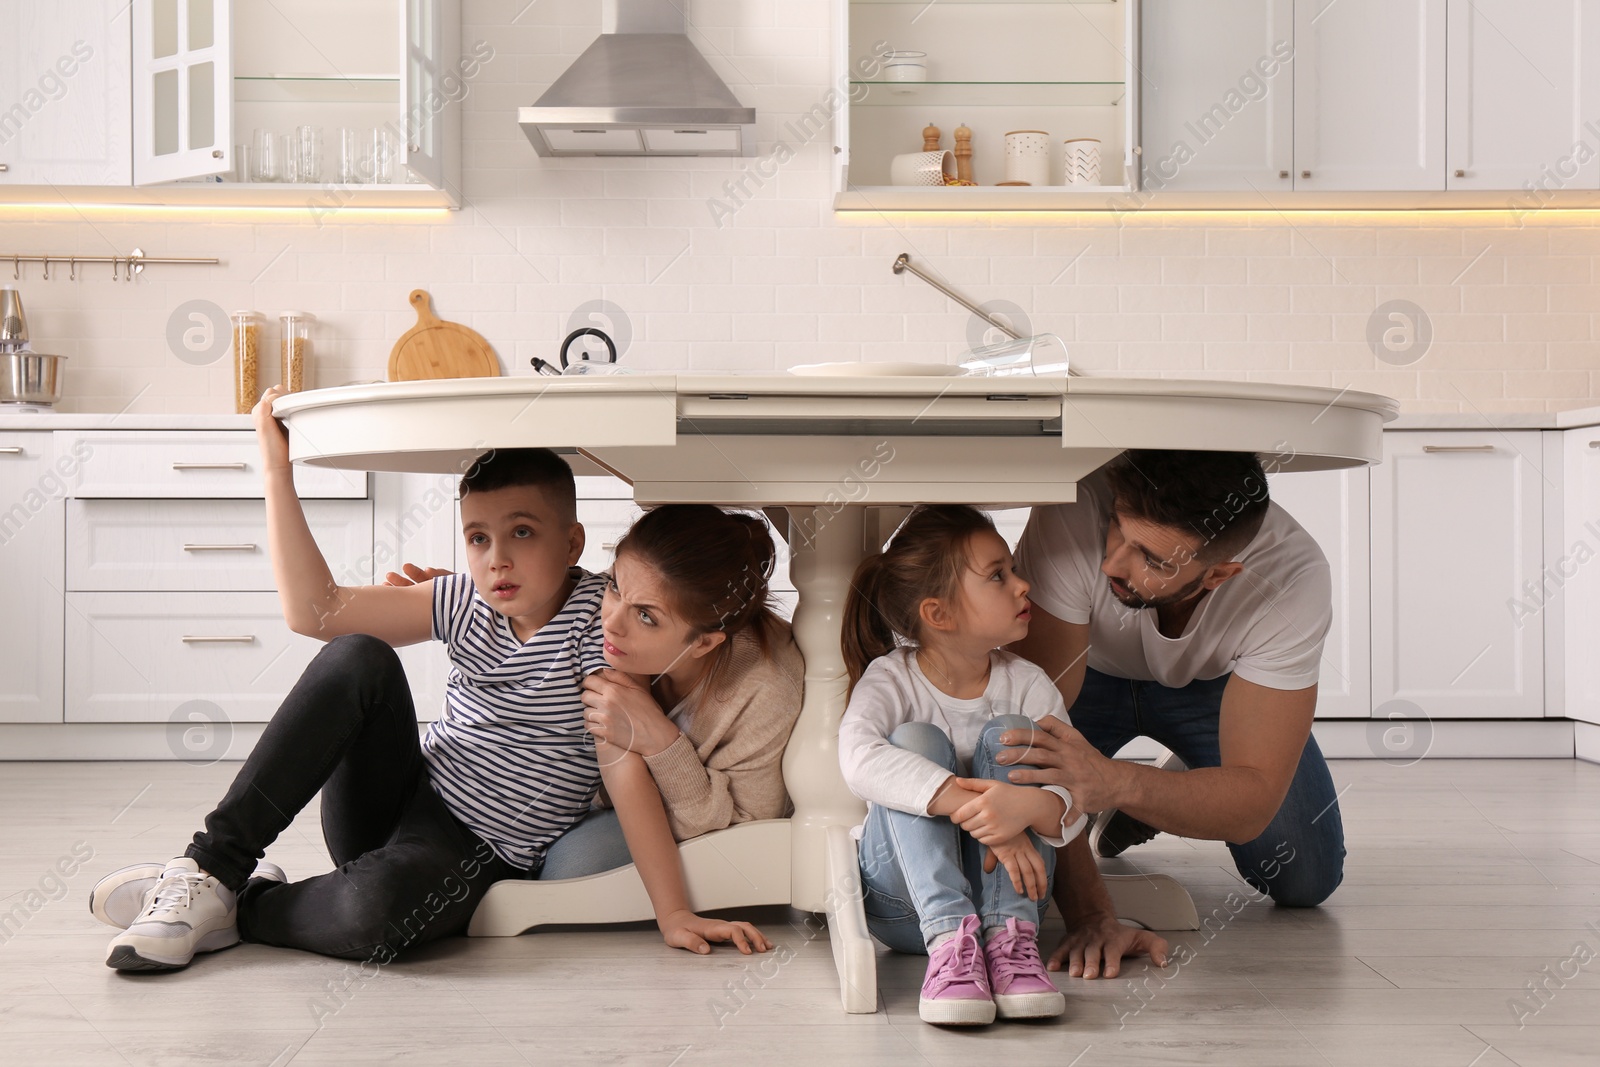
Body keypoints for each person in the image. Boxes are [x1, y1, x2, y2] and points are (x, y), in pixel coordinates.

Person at [87, 384, 769, 971]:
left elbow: (623, 773)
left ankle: (243, 904)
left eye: (522, 533)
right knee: (359, 653)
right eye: (477, 537)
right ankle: (211, 868)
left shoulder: (602, 623)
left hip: (473, 854)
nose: (496, 559)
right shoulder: (462, 600)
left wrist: (673, 912)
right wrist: (275, 470)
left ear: (571, 543)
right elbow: (314, 609)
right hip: (398, 801)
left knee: (373, 915)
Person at [1002, 448, 1343, 981]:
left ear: (1218, 575)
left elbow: (1253, 801)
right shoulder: (1075, 503)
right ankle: (1173, 790)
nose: (1112, 563)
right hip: (1085, 673)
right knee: (1013, 783)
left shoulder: (1293, 577)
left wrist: (1115, 784)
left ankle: (1159, 791)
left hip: (1209, 690)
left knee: (1306, 878)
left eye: (1153, 560)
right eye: (1117, 528)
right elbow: (1026, 738)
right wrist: (1091, 913)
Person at [391, 504, 806, 878]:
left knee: (572, 867)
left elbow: (743, 837)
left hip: (685, 825)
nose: (610, 622)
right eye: (614, 586)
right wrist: (487, 609)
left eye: (645, 616)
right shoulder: (603, 620)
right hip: (568, 800)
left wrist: (662, 741)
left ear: (703, 643)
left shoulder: (764, 690)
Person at [837, 505, 1089, 1027]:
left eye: (1013, 569)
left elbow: (1074, 804)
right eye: (998, 575)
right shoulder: (892, 679)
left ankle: (1008, 948)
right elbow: (857, 759)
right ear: (939, 614)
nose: (1022, 585)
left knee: (1012, 734)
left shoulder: (1030, 683)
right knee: (913, 741)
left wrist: (1027, 808)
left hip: (1014, 911)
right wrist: (990, 819)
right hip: (904, 908)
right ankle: (951, 942)